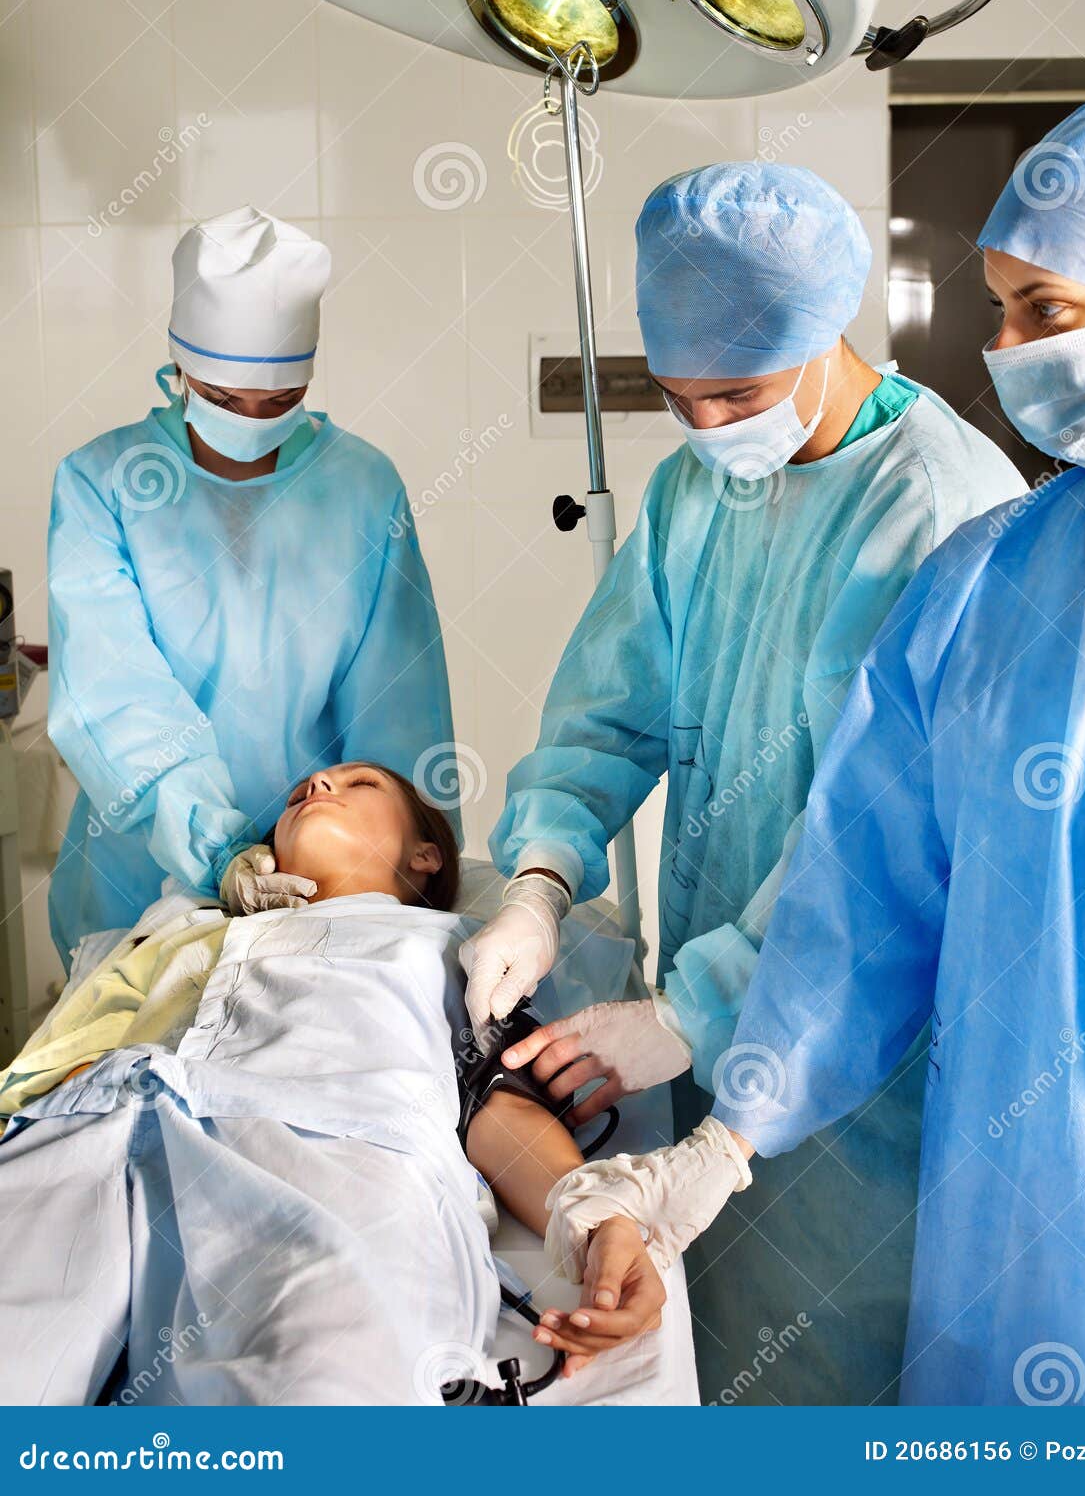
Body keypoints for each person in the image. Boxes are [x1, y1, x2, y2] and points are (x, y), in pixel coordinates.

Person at [536, 87, 1085, 1407]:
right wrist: (723, 1143)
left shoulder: (942, 505)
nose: (1003, 347)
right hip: (1007, 1202)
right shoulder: (990, 579)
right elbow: (867, 895)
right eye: (1001, 306)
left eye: (1045, 312)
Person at [461, 163, 1026, 1404]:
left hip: (876, 1066)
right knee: (728, 1351)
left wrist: (694, 1011)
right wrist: (542, 879)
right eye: (678, 399)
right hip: (726, 1045)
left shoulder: (944, 510)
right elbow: (612, 705)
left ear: (824, 336)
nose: (711, 430)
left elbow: (892, 846)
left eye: (738, 393)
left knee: (853, 1365)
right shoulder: (694, 491)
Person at [0, 762, 665, 1404]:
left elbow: (496, 1102)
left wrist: (602, 1218)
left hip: (332, 1162)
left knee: (316, 1387)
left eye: (361, 783)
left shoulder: (456, 947)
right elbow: (66, 1047)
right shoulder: (183, 931)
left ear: (426, 856)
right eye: (304, 790)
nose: (317, 784)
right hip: (100, 1130)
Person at [47, 205, 457, 962]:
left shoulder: (361, 486)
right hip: (139, 883)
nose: (252, 421)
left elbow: (398, 714)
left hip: (323, 898)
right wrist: (217, 851)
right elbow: (114, 694)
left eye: (280, 403)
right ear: (179, 370)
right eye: (226, 400)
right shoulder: (103, 483)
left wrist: (389, 892)